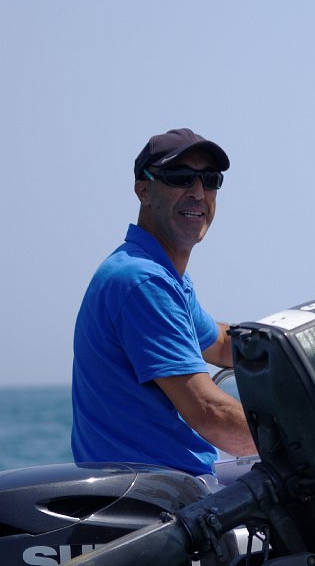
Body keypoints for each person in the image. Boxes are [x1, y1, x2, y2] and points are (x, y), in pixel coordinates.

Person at [71, 128, 257, 477]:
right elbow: (210, 414)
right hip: (152, 497)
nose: (198, 192)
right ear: (143, 190)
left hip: (165, 486)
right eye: (180, 177)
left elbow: (220, 343)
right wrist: (312, 437)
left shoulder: (161, 274)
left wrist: (304, 346)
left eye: (210, 180)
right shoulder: (143, 281)